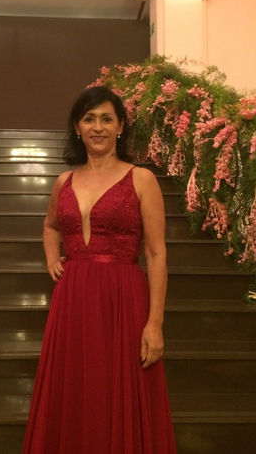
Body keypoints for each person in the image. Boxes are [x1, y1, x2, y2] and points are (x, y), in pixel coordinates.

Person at [22, 86, 177, 454]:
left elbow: (156, 253)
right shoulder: (64, 181)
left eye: (107, 119)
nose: (98, 127)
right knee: (75, 387)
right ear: (77, 127)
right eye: (89, 119)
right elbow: (50, 226)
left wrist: (155, 323)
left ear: (121, 126)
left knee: (119, 388)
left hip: (123, 300)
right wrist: (52, 258)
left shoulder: (141, 179)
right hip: (73, 301)